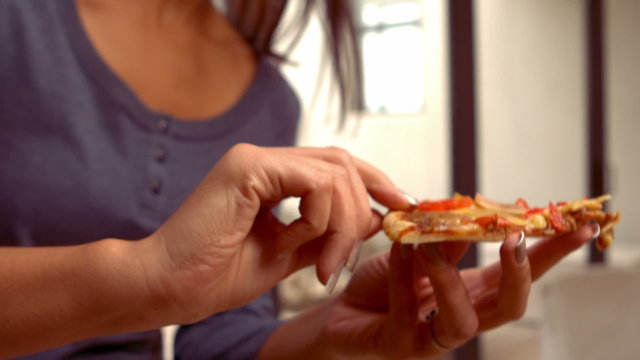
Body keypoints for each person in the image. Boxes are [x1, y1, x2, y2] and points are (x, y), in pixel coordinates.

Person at [0, 0, 598, 358]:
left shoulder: (270, 102)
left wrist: (329, 333)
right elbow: (167, 290)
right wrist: (146, 280)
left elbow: (214, 335)